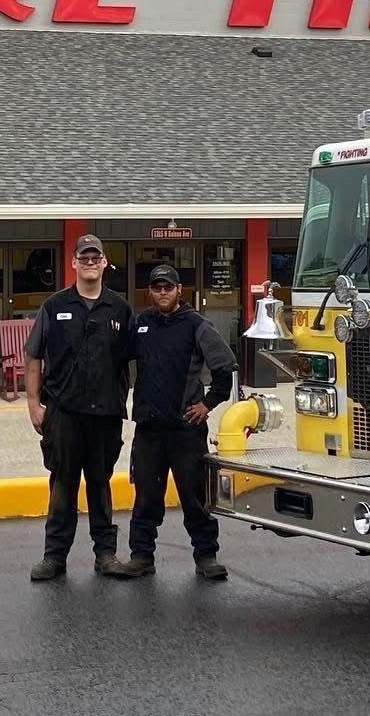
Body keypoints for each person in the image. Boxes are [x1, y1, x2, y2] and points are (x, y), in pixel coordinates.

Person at [112, 263, 237, 581]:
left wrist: (207, 404)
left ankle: (206, 556)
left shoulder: (197, 325)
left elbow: (224, 368)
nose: (163, 292)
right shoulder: (141, 324)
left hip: (185, 430)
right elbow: (115, 359)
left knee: (194, 498)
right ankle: (141, 557)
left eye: (168, 287)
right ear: (150, 291)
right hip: (149, 429)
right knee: (145, 498)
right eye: (157, 287)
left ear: (180, 290)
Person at [25, 234, 134, 581]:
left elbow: (136, 359)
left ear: (104, 263)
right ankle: (54, 557)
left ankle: (106, 554)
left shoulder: (120, 309)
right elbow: (33, 356)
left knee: (100, 484)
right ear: (73, 263)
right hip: (64, 413)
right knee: (62, 484)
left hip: (104, 413)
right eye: (83, 258)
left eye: (95, 258)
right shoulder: (54, 306)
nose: (90, 263)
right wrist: (32, 403)